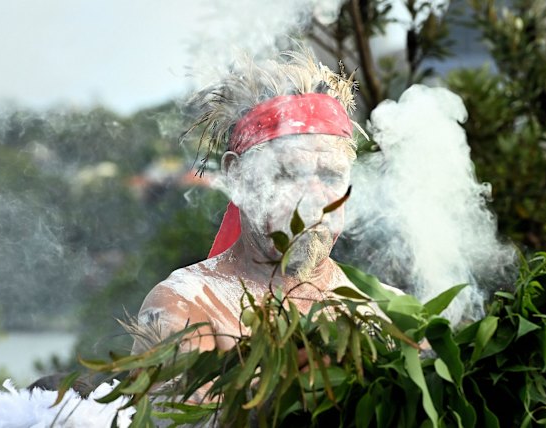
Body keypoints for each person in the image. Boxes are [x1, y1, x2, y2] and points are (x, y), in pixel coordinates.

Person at [132, 48, 401, 357]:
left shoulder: (385, 310)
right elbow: (175, 404)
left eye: (329, 176)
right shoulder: (186, 306)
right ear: (237, 177)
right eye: (287, 173)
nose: (312, 198)